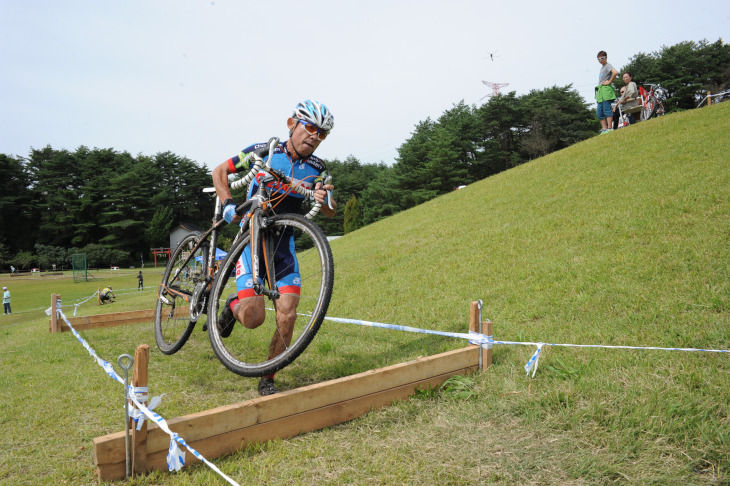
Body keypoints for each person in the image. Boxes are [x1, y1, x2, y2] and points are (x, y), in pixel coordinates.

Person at [211, 100, 337, 396]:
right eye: (310, 128)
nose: (314, 137)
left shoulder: (317, 168)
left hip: (284, 246)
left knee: (288, 315)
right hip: (252, 241)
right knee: (254, 319)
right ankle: (233, 305)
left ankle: (269, 376)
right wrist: (229, 204)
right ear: (292, 123)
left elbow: (330, 208)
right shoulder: (263, 151)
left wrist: (326, 197)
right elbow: (219, 172)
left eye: (322, 134)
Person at [595, 50, 618, 134]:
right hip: (600, 92)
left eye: (602, 58)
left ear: (606, 57)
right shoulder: (602, 68)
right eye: (598, 59)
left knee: (607, 109)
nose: (600, 60)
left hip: (606, 90)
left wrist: (609, 81)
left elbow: (615, 72)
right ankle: (604, 130)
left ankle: (609, 128)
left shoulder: (608, 65)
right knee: (599, 112)